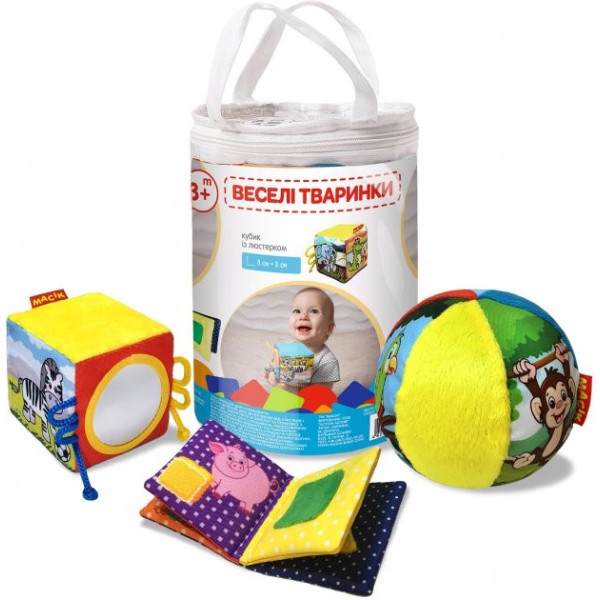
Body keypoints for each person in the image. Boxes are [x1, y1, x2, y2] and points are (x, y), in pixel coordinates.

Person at [265, 287, 340, 391]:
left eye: (314, 311)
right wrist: (271, 375)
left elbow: (320, 394)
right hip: (281, 397)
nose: (303, 316)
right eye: (297, 311)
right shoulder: (286, 350)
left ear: (329, 328)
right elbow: (275, 371)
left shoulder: (327, 362)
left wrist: (291, 386)